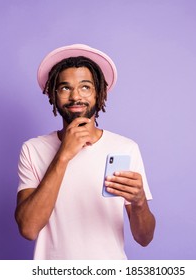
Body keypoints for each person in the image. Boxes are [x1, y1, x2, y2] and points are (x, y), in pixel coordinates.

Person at [15, 44, 155, 260]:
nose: (75, 97)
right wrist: (63, 155)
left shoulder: (125, 148)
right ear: (53, 95)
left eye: (85, 87)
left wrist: (139, 202)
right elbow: (28, 229)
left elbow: (144, 238)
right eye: (65, 88)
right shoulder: (33, 149)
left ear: (99, 94)